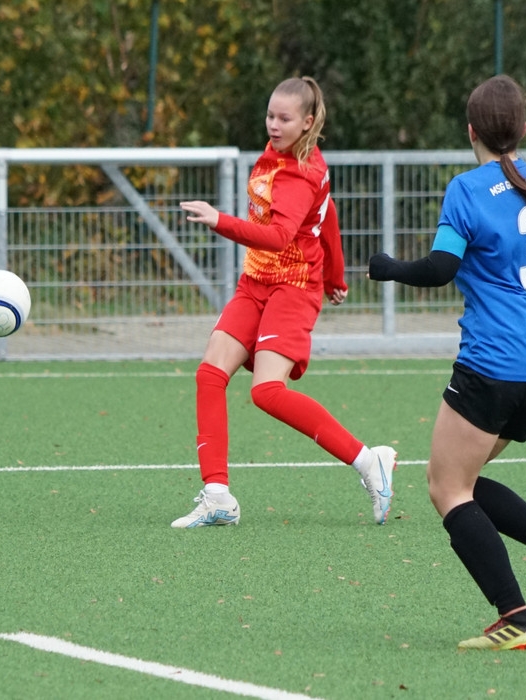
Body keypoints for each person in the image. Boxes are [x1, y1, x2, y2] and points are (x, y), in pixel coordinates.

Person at [368, 75, 526, 650]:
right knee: (465, 480)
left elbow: (441, 269)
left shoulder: (467, 189)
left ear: (471, 131)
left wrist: (388, 267)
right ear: (522, 129)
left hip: (490, 365)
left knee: (445, 487)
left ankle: (517, 619)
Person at [172, 76, 397, 529]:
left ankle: (367, 460)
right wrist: (337, 274)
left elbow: (278, 236)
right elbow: (327, 213)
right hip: (255, 282)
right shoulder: (281, 153)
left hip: (293, 287)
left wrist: (219, 220)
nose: (273, 125)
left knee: (266, 391)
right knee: (210, 374)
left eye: (284, 118)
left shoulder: (300, 172)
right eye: (270, 115)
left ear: (308, 122)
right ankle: (217, 496)